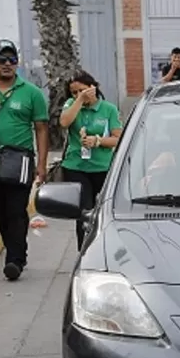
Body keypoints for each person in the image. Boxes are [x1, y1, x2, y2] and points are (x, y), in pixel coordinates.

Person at [0, 39, 49, 281]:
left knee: (16, 210)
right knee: (0, 211)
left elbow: (41, 128)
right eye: (2, 59)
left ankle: (15, 260)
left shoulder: (31, 93)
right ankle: (16, 250)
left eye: (12, 59)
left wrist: (41, 165)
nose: (8, 64)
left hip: (20, 162)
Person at [58, 70, 123, 250]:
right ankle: (84, 251)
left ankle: (106, 248)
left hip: (102, 167)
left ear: (92, 87)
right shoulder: (71, 105)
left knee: (105, 210)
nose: (79, 94)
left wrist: (98, 141)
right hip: (76, 166)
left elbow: (118, 139)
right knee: (85, 211)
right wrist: (79, 101)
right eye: (74, 92)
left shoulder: (108, 109)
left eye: (82, 90)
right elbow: (64, 122)